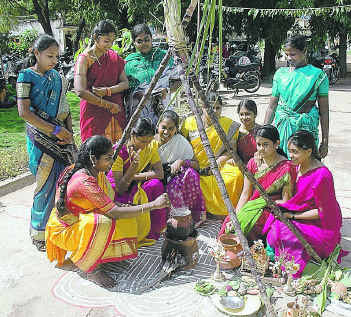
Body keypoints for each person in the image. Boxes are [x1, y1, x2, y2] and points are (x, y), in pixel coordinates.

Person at [45, 135, 170, 288]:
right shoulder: (84, 180)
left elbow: (110, 204)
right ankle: (91, 270)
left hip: (79, 221)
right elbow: (113, 211)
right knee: (101, 223)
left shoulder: (95, 173)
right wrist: (154, 205)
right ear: (93, 159)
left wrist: (125, 207)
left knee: (127, 214)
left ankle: (103, 256)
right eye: (108, 158)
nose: (111, 162)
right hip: (65, 230)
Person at [17, 34, 74, 252]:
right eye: (49, 56)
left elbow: (65, 106)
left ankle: (59, 227)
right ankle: (39, 232)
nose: (53, 61)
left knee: (63, 182)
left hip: (62, 138)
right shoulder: (25, 77)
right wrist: (55, 130)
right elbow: (24, 112)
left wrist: (68, 130)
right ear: (36, 53)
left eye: (56, 57)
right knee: (44, 185)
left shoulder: (57, 77)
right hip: (40, 138)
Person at [265, 130, 347, 278]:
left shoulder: (322, 175)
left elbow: (323, 213)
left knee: (283, 232)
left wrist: (292, 215)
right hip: (300, 212)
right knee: (272, 221)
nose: (290, 155)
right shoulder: (296, 165)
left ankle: (290, 267)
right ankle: (275, 257)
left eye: (295, 152)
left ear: (308, 151)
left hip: (321, 225)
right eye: (289, 151)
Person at [219, 125, 296, 241]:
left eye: (265, 144)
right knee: (229, 224)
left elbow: (286, 201)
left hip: (272, 209)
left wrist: (265, 203)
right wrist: (236, 215)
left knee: (251, 227)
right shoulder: (253, 163)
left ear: (276, 144)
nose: (261, 149)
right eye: (259, 144)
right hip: (252, 205)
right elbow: (245, 194)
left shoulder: (286, 168)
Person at [264, 35, 329, 159]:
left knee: (306, 168)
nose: (289, 58)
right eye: (286, 54)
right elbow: (272, 106)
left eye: (293, 54)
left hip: (305, 133)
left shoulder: (318, 76)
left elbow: (324, 111)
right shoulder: (280, 74)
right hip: (281, 130)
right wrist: (264, 133)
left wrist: (325, 141)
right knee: (282, 167)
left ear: (304, 51)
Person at [181, 94, 244, 217]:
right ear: (202, 108)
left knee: (236, 175)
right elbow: (181, 144)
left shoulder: (228, 125)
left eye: (217, 108)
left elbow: (231, 150)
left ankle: (224, 211)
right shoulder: (190, 123)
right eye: (209, 107)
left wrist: (218, 162)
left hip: (217, 164)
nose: (214, 111)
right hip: (194, 165)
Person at [107, 118, 167, 243]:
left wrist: (135, 176)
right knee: (128, 201)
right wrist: (132, 170)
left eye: (149, 141)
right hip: (116, 188)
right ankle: (133, 237)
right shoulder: (119, 151)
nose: (145, 145)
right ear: (132, 135)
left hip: (134, 181)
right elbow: (120, 188)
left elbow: (159, 173)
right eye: (142, 141)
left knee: (156, 185)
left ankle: (154, 230)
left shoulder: (150, 146)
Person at [74, 20, 129, 143]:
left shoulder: (114, 57)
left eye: (112, 42)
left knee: (118, 151)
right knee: (95, 151)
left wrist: (108, 90)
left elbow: (125, 83)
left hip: (115, 112)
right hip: (94, 113)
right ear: (95, 38)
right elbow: (80, 91)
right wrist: (108, 105)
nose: (110, 45)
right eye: (106, 41)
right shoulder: (84, 59)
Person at [155, 110, 206, 227]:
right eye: (163, 127)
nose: (166, 132)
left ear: (176, 129)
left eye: (171, 128)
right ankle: (174, 218)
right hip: (158, 176)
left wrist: (182, 162)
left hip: (175, 175)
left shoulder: (180, 141)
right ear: (158, 125)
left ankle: (192, 216)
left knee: (191, 173)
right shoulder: (151, 141)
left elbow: (196, 165)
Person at [124, 24, 174, 125]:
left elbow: (179, 80)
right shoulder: (129, 62)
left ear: (151, 39)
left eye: (147, 39)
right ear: (134, 43)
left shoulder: (165, 57)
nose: (144, 43)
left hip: (163, 105)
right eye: (139, 41)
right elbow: (124, 88)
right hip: (139, 110)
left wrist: (167, 90)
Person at [236, 99, 261, 165]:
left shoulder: (261, 131)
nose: (244, 117)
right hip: (242, 166)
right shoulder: (236, 132)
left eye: (247, 114)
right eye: (241, 114)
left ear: (255, 114)